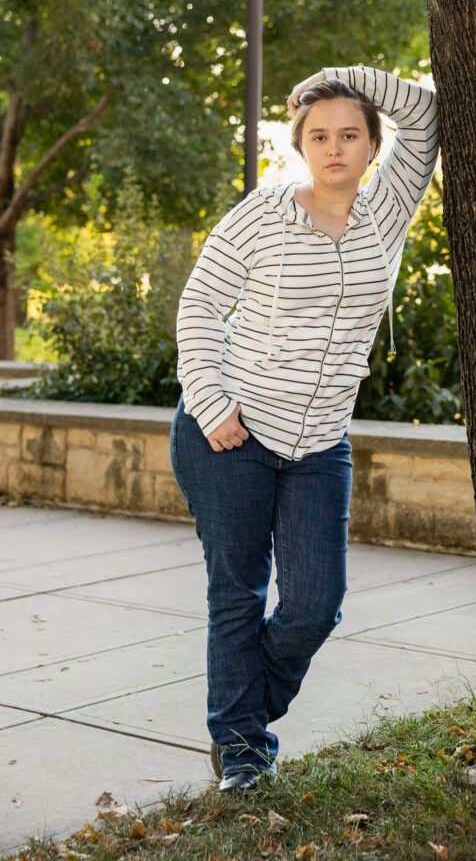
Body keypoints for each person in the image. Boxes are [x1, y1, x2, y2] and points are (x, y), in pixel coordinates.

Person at [169, 64, 439, 792]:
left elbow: (429, 115)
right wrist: (212, 402)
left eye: (350, 134)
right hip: (230, 432)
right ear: (299, 146)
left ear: (372, 144)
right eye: (318, 135)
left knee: (315, 605)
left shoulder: (387, 209)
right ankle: (244, 752)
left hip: (321, 441)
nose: (334, 148)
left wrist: (341, 78)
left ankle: (243, 713)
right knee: (237, 592)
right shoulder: (261, 213)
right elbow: (197, 309)